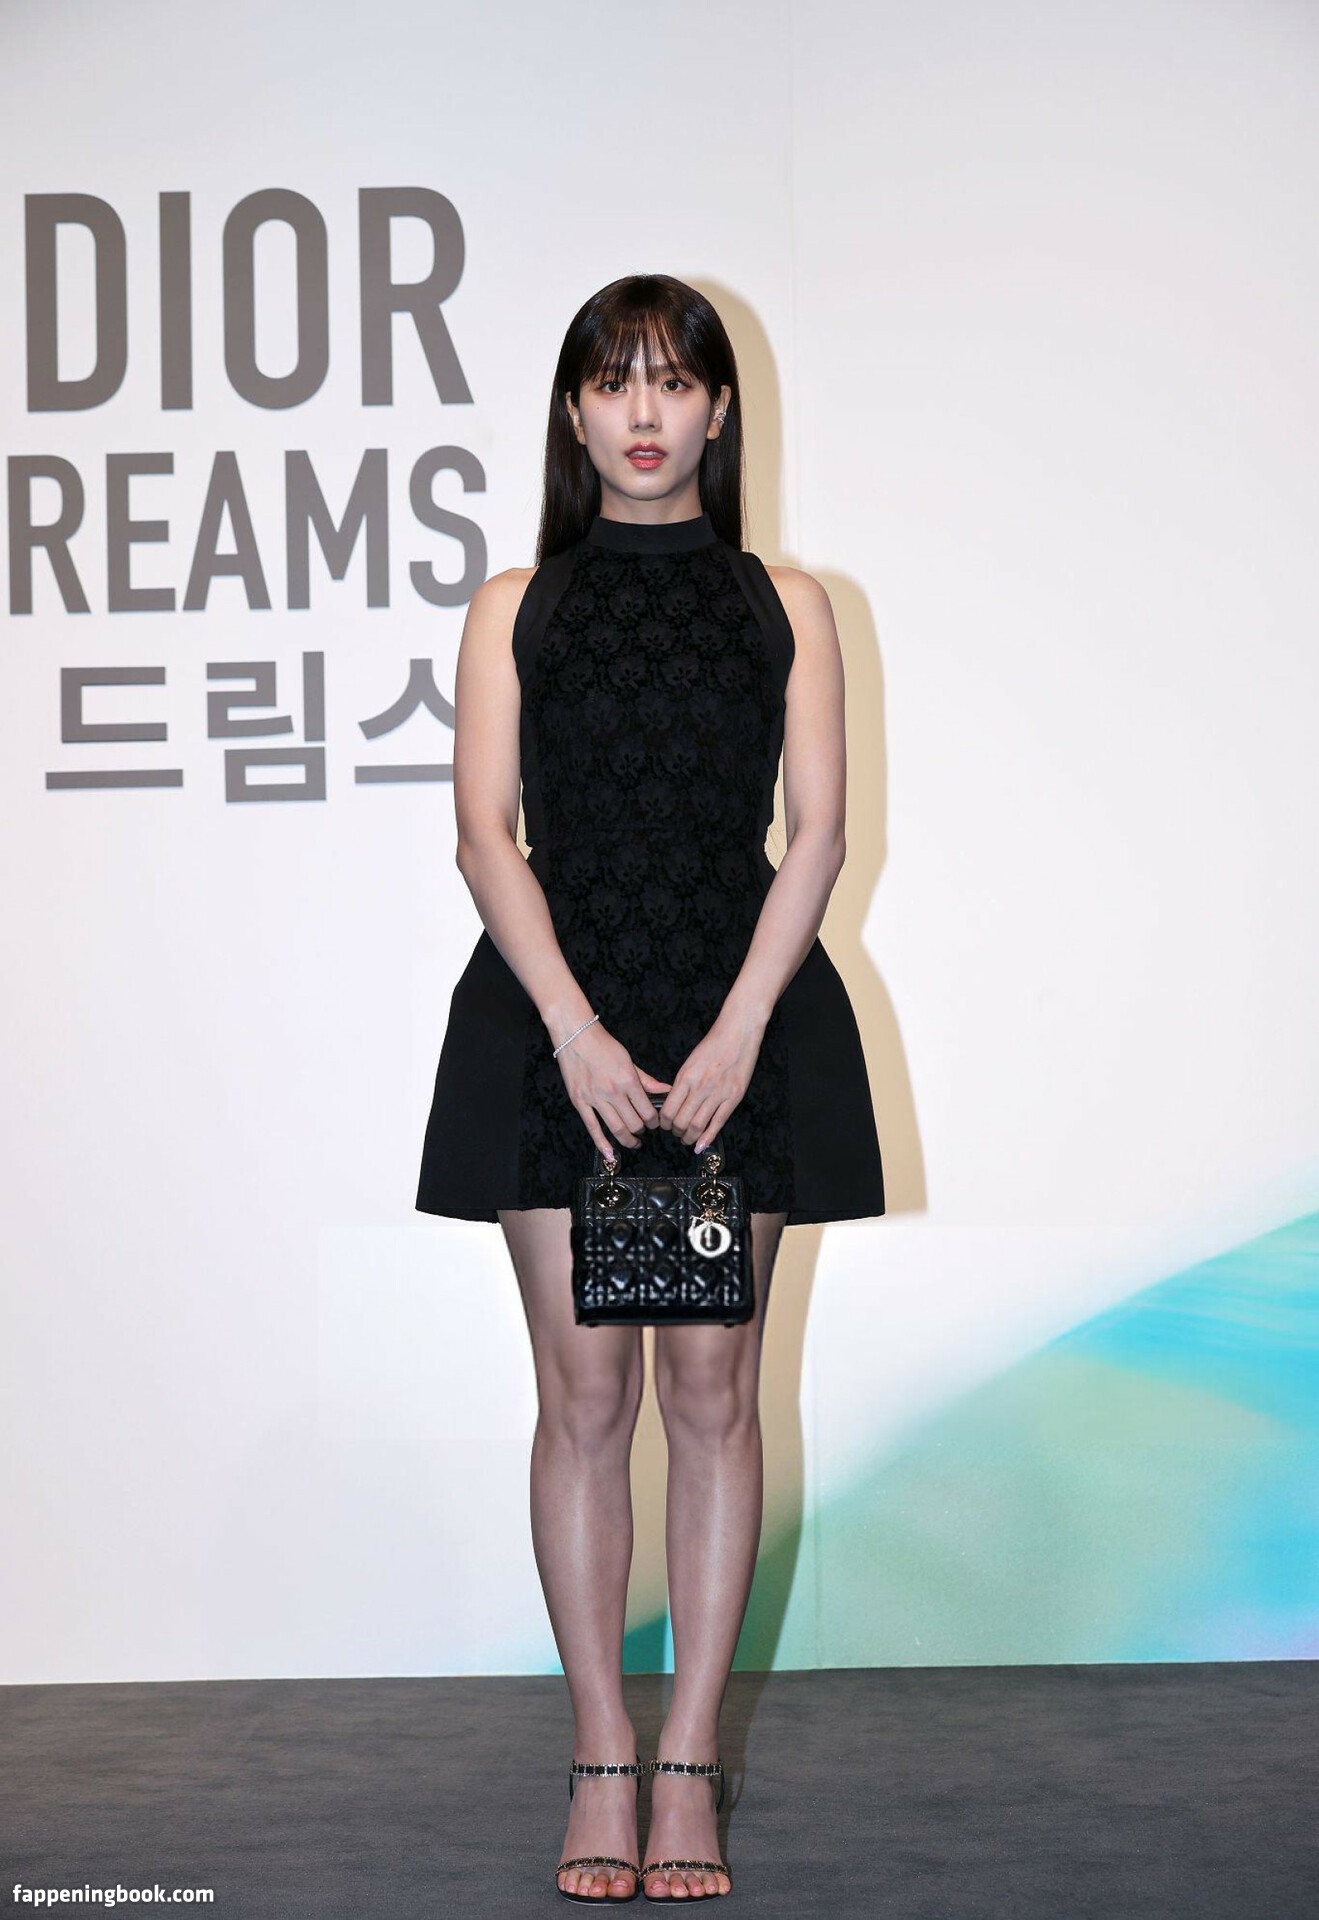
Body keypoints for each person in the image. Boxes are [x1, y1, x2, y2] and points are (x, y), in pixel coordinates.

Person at [416, 273, 885, 1902]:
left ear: (717, 411)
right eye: (613, 381)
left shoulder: (784, 603)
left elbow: (817, 832)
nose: (642, 411)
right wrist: (572, 1031)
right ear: (572, 410)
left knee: (711, 1396)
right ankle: (601, 1754)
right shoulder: (517, 607)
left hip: (732, 1016)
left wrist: (745, 1028)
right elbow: (484, 836)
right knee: (585, 1401)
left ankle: (688, 1763)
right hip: (557, 1026)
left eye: (672, 382)